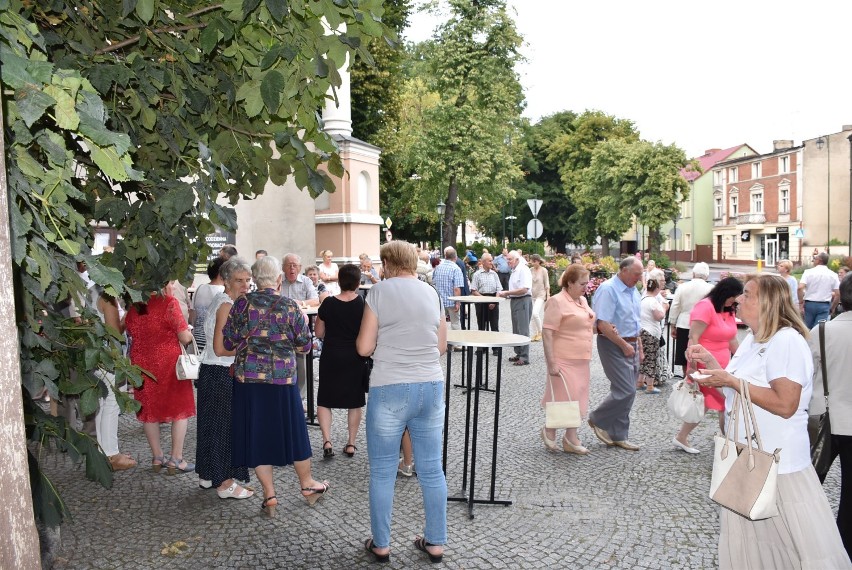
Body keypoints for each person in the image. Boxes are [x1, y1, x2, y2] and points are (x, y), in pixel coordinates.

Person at [687, 274, 851, 569]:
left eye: (748, 295)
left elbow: (786, 403)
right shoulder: (754, 338)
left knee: (797, 548)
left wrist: (732, 381)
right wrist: (714, 366)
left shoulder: (786, 341)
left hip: (777, 463)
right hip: (748, 458)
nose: (738, 299)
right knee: (760, 547)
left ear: (769, 303)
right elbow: (739, 388)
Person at [357, 241, 448, 564]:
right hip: (430, 384)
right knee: (431, 469)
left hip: (390, 385)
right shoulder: (431, 293)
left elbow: (364, 347)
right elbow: (440, 345)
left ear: (388, 262)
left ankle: (381, 544)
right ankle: (435, 542)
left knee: (382, 471)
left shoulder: (379, 293)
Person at [221, 255, 329, 516]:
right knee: (294, 433)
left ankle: (270, 495)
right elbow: (305, 345)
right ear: (279, 279)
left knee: (257, 435)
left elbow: (227, 343)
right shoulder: (289, 306)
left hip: (249, 381)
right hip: (282, 380)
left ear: (255, 280)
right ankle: (307, 485)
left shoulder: (241, 305)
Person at [196, 257, 254, 498]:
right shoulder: (227, 305)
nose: (245, 285)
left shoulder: (224, 300)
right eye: (239, 281)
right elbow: (220, 348)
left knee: (211, 427)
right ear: (227, 281)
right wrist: (249, 346)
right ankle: (225, 483)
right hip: (221, 372)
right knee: (224, 429)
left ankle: (209, 475)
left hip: (213, 371)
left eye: (248, 280)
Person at [125, 286, 196, 474]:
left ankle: (157, 457)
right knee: (180, 408)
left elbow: (128, 329)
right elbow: (184, 336)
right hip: (168, 363)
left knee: (149, 410)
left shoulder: (135, 304)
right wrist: (190, 331)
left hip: (141, 364)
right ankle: (176, 459)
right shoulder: (168, 303)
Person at [672, 277, 743, 454]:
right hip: (704, 361)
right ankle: (728, 441)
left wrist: (742, 357)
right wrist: (693, 366)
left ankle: (683, 436)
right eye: (733, 298)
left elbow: (732, 338)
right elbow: (693, 337)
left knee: (711, 402)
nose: (734, 302)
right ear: (725, 294)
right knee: (723, 400)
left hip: (723, 361)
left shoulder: (728, 309)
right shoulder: (705, 306)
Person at [810, 273, 852, 556]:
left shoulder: (822, 331)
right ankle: (845, 548)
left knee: (809, 488)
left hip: (822, 418)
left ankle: (809, 540)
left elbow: (806, 375)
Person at [587, 257, 644, 451]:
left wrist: (639, 347)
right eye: (637, 273)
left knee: (629, 392)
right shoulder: (609, 289)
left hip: (632, 343)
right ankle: (597, 418)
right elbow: (602, 324)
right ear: (624, 271)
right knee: (626, 389)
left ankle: (619, 434)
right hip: (613, 344)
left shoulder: (633, 290)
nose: (639, 277)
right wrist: (624, 346)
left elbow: (635, 322)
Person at [540, 264, 595, 455]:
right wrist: (551, 362)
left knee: (578, 398)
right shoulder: (557, 301)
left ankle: (570, 437)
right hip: (563, 358)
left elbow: (585, 325)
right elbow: (547, 333)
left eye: (587, 284)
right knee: (564, 398)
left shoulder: (582, 300)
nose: (586, 287)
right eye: (582, 283)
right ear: (570, 283)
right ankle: (551, 430)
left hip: (582, 358)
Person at [315, 264, 366, 459]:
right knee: (354, 401)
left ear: (339, 281)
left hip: (331, 356)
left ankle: (327, 441)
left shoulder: (328, 303)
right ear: (358, 282)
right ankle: (351, 443)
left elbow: (318, 333)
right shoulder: (362, 304)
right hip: (355, 356)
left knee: (325, 399)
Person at [92, 287, 136, 470]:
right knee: (111, 403)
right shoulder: (108, 298)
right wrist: (127, 317)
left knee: (103, 404)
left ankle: (105, 450)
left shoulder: (93, 292)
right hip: (110, 359)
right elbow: (114, 332)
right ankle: (111, 454)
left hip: (99, 357)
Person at [280, 253, 319, 401]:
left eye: (294, 265)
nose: (292, 268)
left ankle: (300, 398)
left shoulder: (306, 281)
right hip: (281, 328)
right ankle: (285, 396)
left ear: (300, 268)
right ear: (283, 268)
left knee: (302, 362)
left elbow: (315, 300)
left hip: (300, 326)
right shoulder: (279, 281)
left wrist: (300, 303)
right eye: (289, 265)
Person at [668, 262, 713, 378]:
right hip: (703, 325)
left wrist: (673, 324)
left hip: (684, 323)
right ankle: (702, 377)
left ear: (693, 273)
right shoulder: (711, 289)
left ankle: (686, 377)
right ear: (707, 276)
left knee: (685, 355)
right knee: (700, 353)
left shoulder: (683, 287)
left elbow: (675, 306)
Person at [497, 250, 533, 366]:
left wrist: (507, 292)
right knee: (516, 329)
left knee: (523, 329)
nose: (508, 262)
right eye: (507, 259)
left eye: (510, 259)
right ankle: (519, 353)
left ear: (517, 259)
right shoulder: (514, 270)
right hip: (515, 300)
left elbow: (524, 289)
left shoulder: (523, 269)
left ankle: (524, 356)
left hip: (523, 300)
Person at [637, 278, 665, 394]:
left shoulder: (642, 299)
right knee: (651, 359)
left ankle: (639, 382)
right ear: (657, 289)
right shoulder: (653, 301)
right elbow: (659, 316)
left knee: (643, 358)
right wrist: (664, 308)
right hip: (651, 332)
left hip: (642, 330)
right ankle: (650, 386)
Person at [191, 258, 225, 352]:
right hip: (213, 343)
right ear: (221, 274)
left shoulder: (199, 288)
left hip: (197, 341)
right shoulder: (223, 292)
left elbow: (192, 316)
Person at [799, 251, 840, 328]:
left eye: (814, 258)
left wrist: (801, 302)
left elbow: (800, 288)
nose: (813, 260)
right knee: (819, 329)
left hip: (809, 304)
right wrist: (833, 307)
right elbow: (838, 294)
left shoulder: (808, 272)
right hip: (824, 304)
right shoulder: (833, 275)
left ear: (819, 260)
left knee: (807, 328)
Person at [432, 247, 464, 332]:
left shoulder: (438, 267)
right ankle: (456, 344)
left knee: (440, 323)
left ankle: (441, 342)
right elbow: (457, 288)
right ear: (455, 257)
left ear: (445, 256)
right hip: (451, 301)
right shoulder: (456, 269)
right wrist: (457, 302)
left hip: (439, 301)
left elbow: (433, 283)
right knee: (455, 323)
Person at [470, 252, 502, 336]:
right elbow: (474, 290)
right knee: (481, 325)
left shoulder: (494, 274)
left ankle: (496, 348)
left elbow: (499, 289)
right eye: (489, 261)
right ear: (483, 262)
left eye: (492, 261)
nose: (492, 263)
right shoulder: (477, 274)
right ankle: (482, 347)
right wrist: (485, 300)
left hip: (493, 300)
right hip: (481, 300)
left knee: (494, 325)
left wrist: (494, 301)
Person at [528, 254, 549, 342]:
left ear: (538, 261)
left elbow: (547, 283)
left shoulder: (544, 270)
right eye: (532, 261)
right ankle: (535, 333)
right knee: (532, 316)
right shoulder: (530, 270)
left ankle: (541, 332)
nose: (533, 263)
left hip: (541, 294)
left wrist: (548, 295)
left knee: (535, 313)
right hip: (532, 294)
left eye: (535, 261)